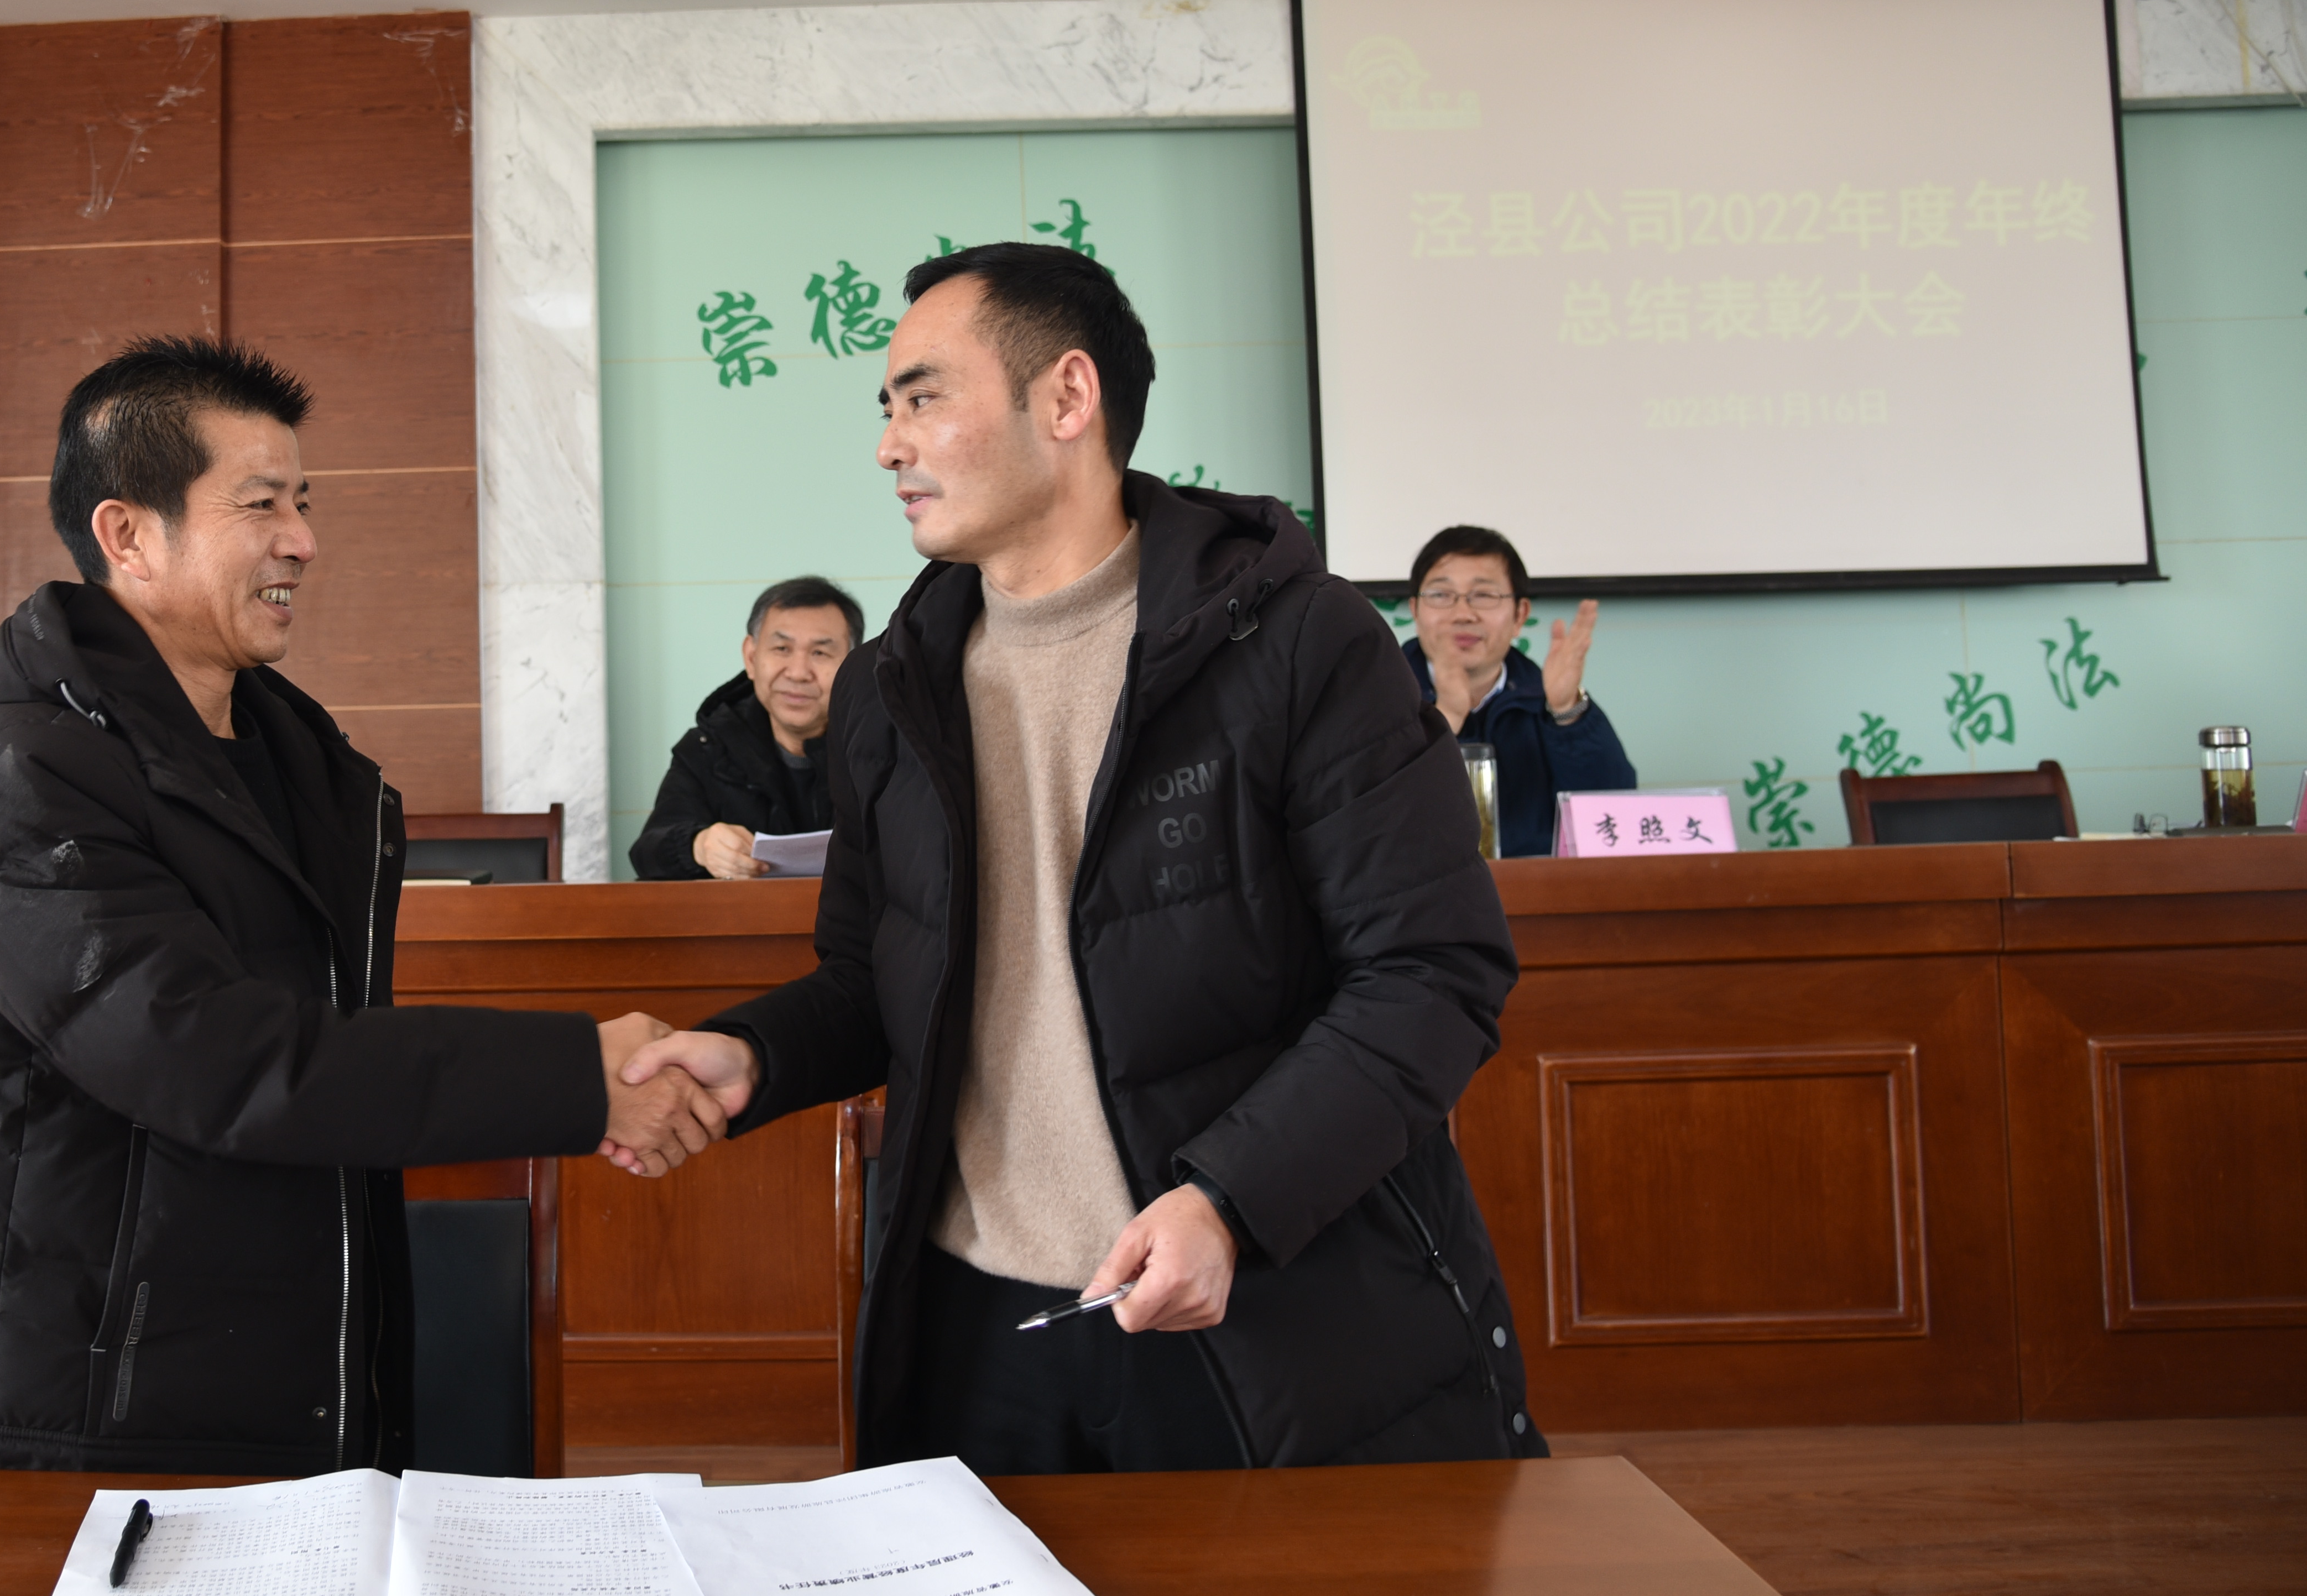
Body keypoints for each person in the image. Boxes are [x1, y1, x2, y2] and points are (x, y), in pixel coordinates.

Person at [619, 243, 1542, 1473]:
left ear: (1065, 397)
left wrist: (1229, 1199)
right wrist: (754, 1053)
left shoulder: (1293, 644)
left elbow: (1432, 971)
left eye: (922, 398)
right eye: (886, 408)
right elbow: (874, 980)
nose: (888, 446)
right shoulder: (892, 688)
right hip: (973, 1331)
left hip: (1241, 1307)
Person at [0, 338, 726, 1475]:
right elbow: (215, 1059)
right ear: (128, 535)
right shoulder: (28, 782)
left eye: (303, 502)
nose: (303, 541)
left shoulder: (301, 762)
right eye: (261, 504)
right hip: (73, 1413)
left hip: (286, 1380)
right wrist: (580, 1077)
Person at [1400, 525, 1634, 859]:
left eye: (1484, 595)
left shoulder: (1545, 699)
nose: (1463, 614)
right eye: (1441, 595)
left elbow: (1611, 815)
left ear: (1519, 615)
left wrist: (1567, 712)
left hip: (1537, 888)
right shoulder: (1375, 698)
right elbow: (1369, 821)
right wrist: (1446, 718)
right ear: (1415, 610)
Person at [628, 578, 864, 881]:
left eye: (820, 653)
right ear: (751, 658)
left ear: (853, 665)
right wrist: (698, 846)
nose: (798, 673)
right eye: (782, 648)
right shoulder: (708, 748)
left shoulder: (886, 747)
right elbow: (647, 853)